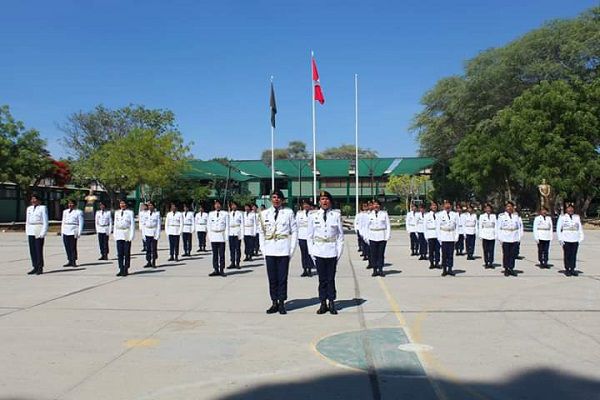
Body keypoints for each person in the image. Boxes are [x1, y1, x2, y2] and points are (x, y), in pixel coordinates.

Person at [258, 190, 297, 315]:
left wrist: (291, 249)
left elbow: (294, 232)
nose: (276, 199)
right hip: (269, 250)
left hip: (283, 249)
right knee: (272, 278)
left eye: (279, 197)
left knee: (282, 278)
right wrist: (263, 250)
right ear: (271, 199)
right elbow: (261, 233)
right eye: (274, 197)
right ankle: (274, 302)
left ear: (282, 200)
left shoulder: (288, 212)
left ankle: (281, 302)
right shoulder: (264, 214)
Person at [307, 191, 344, 314]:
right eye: (322, 199)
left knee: (331, 279)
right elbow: (309, 236)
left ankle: (332, 302)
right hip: (318, 251)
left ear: (330, 201)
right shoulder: (313, 216)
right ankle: (323, 302)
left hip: (332, 251)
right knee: (322, 279)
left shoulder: (336, 215)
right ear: (319, 201)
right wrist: (312, 253)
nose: (324, 201)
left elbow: (340, 236)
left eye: (327, 199)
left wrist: (338, 253)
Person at [363, 199, 391, 277]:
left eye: (377, 204)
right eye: (375, 204)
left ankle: (380, 269)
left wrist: (387, 235)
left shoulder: (384, 214)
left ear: (380, 206)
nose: (376, 206)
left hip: (382, 236)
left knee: (381, 254)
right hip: (372, 236)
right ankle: (375, 270)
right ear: (373, 206)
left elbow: (388, 225)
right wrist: (366, 237)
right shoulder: (369, 215)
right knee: (373, 254)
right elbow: (366, 227)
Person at [556, 203, 584, 276]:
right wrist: (560, 239)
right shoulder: (562, 217)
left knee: (573, 255)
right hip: (566, 239)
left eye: (572, 208)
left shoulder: (576, 217)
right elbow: (558, 229)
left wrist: (581, 237)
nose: (570, 210)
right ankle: (567, 269)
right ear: (566, 209)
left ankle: (572, 269)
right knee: (567, 255)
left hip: (575, 239)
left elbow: (579, 228)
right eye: (569, 208)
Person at [496, 201, 522, 277]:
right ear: (505, 208)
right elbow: (498, 228)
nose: (509, 208)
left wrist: (519, 237)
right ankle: (506, 269)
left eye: (511, 206)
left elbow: (519, 227)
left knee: (513, 254)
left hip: (514, 237)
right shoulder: (501, 216)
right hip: (505, 238)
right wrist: (500, 238)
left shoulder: (516, 216)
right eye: (508, 206)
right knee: (506, 254)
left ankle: (511, 268)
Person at [25, 194, 48, 275]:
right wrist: (27, 230)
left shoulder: (42, 208)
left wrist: (43, 232)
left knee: (38, 249)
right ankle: (34, 266)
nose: (33, 201)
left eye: (35, 199)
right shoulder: (29, 208)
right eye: (32, 199)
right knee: (32, 250)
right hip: (31, 229)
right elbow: (27, 221)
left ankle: (40, 267)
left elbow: (45, 221)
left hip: (39, 228)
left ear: (39, 201)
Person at [436, 200, 459, 276]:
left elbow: (457, 227)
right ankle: (444, 269)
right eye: (446, 204)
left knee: (450, 254)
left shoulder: (455, 215)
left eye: (449, 204)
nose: (447, 206)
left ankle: (450, 269)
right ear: (444, 206)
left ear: (451, 206)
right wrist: (439, 238)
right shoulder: (440, 214)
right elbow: (437, 227)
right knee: (444, 255)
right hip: (444, 236)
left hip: (451, 236)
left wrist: (456, 237)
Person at [113, 199, 135, 276]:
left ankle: (126, 268)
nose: (122, 205)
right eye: (121, 203)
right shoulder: (117, 213)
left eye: (123, 203)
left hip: (126, 233)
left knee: (126, 253)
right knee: (120, 253)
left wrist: (131, 235)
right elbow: (115, 224)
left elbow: (132, 225)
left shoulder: (130, 213)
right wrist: (115, 234)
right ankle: (121, 268)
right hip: (119, 233)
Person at [208, 199, 228, 276]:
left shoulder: (225, 214)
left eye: (218, 204)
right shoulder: (211, 214)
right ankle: (216, 269)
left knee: (222, 254)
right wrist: (210, 236)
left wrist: (226, 236)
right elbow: (209, 225)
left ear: (221, 205)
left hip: (221, 235)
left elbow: (227, 226)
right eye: (216, 204)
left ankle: (222, 270)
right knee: (215, 254)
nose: (217, 205)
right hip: (214, 235)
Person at [61, 199, 84, 267]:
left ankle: (73, 260)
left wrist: (79, 232)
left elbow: (81, 222)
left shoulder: (78, 212)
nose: (70, 205)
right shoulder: (65, 212)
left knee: (72, 246)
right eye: (69, 203)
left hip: (73, 230)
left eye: (71, 203)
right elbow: (63, 222)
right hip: (66, 230)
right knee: (67, 246)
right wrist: (62, 231)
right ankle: (69, 260)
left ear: (75, 204)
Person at [296, 199, 316, 276]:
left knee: (310, 253)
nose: (306, 206)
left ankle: (310, 269)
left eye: (307, 204)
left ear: (310, 205)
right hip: (302, 236)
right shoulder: (299, 214)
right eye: (304, 204)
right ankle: (304, 269)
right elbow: (297, 225)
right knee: (303, 254)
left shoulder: (314, 214)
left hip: (311, 237)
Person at [142, 201, 161, 268]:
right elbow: (143, 224)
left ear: (154, 206)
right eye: (149, 205)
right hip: (147, 232)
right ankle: (148, 261)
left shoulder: (157, 214)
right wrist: (143, 234)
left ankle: (154, 261)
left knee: (154, 248)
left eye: (151, 205)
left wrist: (157, 234)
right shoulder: (145, 214)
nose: (150, 207)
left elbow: (158, 225)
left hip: (154, 232)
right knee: (148, 248)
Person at [479, 203, 497, 268]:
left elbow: (496, 226)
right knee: (486, 250)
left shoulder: (493, 216)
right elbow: (480, 226)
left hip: (492, 234)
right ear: (485, 209)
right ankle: (486, 262)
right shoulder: (482, 216)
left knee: (491, 250)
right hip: (485, 235)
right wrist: (480, 235)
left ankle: (491, 262)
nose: (488, 209)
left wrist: (496, 234)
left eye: (489, 208)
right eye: (487, 208)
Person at [424, 201, 440, 269]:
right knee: (431, 250)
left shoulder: (439, 215)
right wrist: (426, 236)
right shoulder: (427, 215)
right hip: (430, 234)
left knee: (437, 250)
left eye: (435, 205)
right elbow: (425, 226)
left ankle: (437, 262)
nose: (434, 207)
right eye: (433, 205)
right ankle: (431, 263)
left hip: (438, 235)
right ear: (430, 207)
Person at [227, 201, 243, 269]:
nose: (233, 206)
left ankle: (237, 263)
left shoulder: (240, 213)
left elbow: (242, 224)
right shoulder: (229, 214)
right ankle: (232, 262)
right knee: (231, 249)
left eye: (234, 205)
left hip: (237, 232)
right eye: (232, 205)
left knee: (237, 249)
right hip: (231, 232)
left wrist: (242, 234)